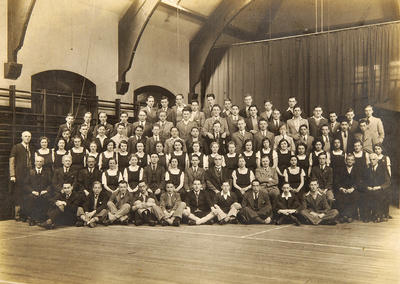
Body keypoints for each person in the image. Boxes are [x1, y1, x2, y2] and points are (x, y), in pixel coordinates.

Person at [9, 131, 34, 220]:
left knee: (27, 193)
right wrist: (12, 175)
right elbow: (11, 162)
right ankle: (17, 215)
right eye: (25, 136)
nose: (27, 138)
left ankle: (26, 215)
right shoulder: (16, 147)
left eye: (29, 136)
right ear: (22, 137)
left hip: (28, 175)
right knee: (18, 194)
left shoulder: (31, 147)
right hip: (19, 175)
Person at [363, 153, 391, 223]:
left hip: (380, 189)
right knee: (365, 194)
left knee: (378, 195)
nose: (372, 161)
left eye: (374, 159)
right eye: (370, 159)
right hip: (371, 189)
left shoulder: (383, 168)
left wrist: (379, 187)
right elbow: (364, 181)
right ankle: (368, 216)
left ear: (377, 160)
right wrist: (367, 187)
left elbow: (388, 182)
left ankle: (378, 215)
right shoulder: (368, 169)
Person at [24, 156, 52, 226]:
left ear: (43, 163)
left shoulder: (47, 172)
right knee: (31, 198)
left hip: (44, 192)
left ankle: (43, 218)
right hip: (34, 192)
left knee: (47, 197)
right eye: (37, 161)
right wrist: (32, 191)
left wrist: (46, 190)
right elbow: (26, 184)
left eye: (40, 162)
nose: (39, 163)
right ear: (34, 162)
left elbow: (51, 184)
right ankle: (32, 218)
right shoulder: (30, 172)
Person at [335, 154, 361, 223]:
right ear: (345, 161)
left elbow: (359, 181)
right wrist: (341, 189)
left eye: (351, 160)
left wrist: (353, 188)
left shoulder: (357, 169)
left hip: (353, 189)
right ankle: (343, 216)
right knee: (340, 196)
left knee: (354, 196)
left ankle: (350, 216)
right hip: (343, 189)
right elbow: (337, 181)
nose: (350, 161)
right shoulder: (340, 169)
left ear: (354, 161)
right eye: (348, 159)